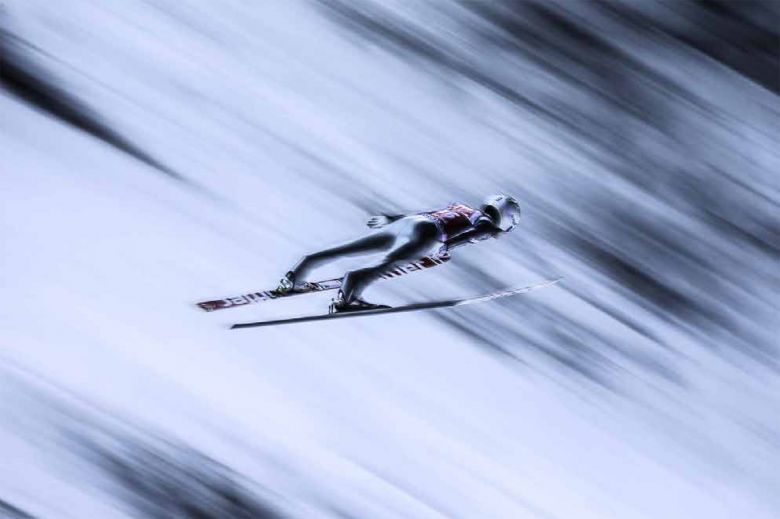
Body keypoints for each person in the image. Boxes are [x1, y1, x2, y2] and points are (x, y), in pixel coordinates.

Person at [274, 194, 521, 313]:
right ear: (507, 219)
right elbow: (474, 234)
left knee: (346, 249)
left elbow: (431, 212)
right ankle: (347, 298)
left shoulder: (463, 207)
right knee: (387, 263)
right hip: (428, 233)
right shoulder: (487, 225)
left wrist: (391, 219)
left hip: (412, 222)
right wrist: (446, 246)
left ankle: (295, 276)